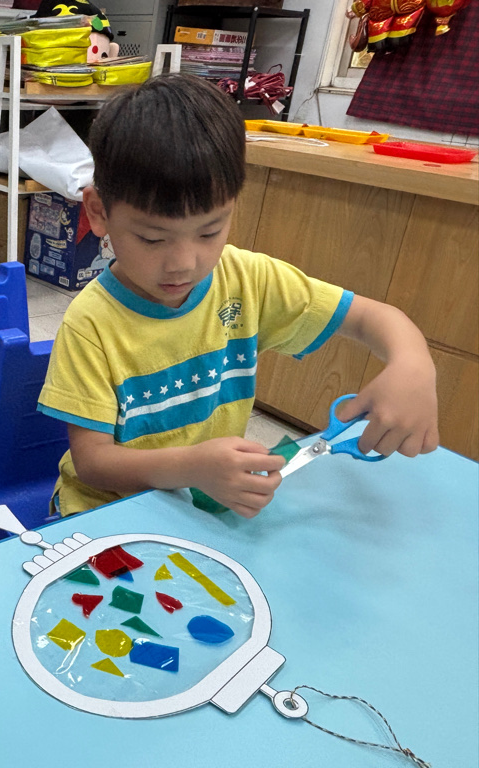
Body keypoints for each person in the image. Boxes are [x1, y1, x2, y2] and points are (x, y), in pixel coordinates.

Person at [37, 74, 439, 519]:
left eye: (210, 231)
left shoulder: (249, 280)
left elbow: (370, 318)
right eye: (153, 238)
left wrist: (413, 364)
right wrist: (192, 467)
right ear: (98, 212)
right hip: (104, 514)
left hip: (204, 508)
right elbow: (93, 464)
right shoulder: (91, 324)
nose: (183, 263)